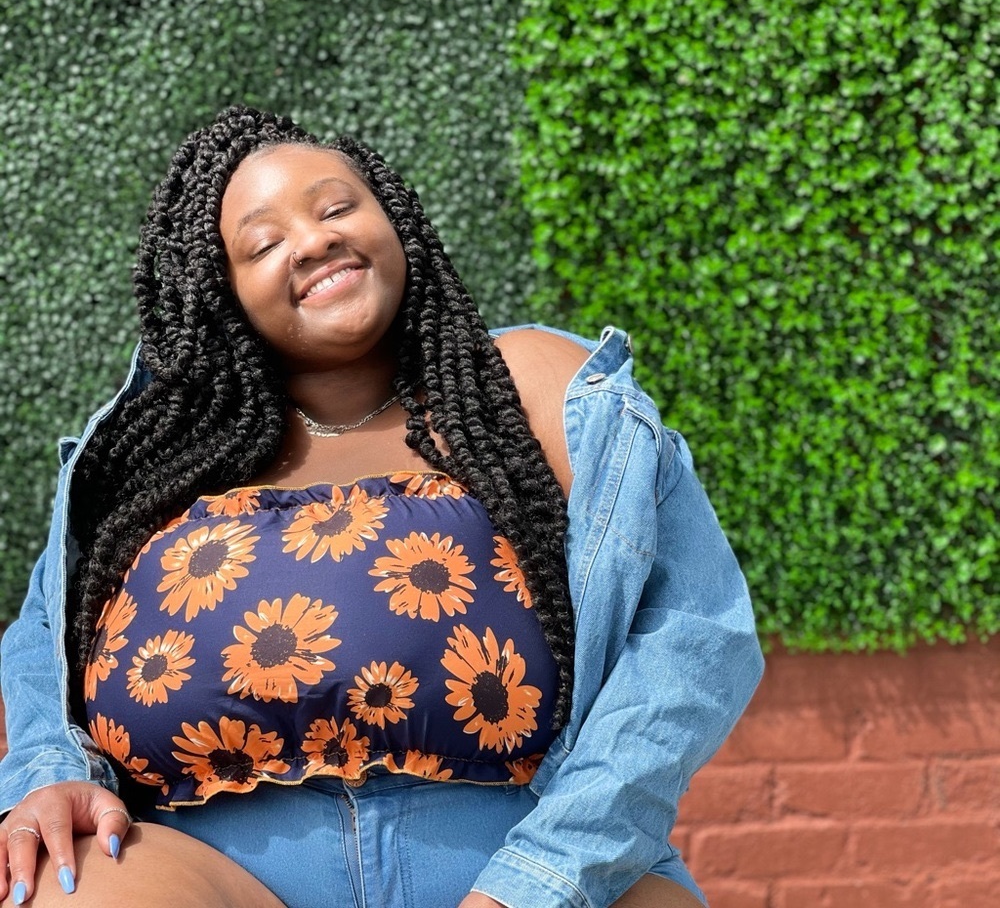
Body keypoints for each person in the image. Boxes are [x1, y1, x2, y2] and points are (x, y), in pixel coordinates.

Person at [0, 105, 763, 908]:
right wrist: (47, 771)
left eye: (336, 208)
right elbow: (45, 630)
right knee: (65, 888)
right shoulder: (156, 453)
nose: (312, 241)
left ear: (393, 219)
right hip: (212, 869)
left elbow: (694, 634)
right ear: (223, 292)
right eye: (263, 244)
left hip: (526, 855)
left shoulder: (533, 388)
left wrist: (540, 884)